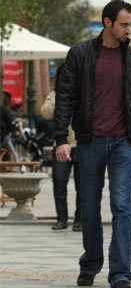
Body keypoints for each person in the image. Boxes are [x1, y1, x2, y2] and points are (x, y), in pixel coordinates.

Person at [54, 0, 131, 288]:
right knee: (90, 208)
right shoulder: (80, 54)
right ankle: (90, 263)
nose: (128, 29)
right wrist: (60, 138)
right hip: (90, 141)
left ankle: (120, 273)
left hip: (123, 141)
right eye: (124, 24)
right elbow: (65, 97)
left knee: (122, 206)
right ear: (107, 23)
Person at [41, 64, 82, 232]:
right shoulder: (55, 94)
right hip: (61, 144)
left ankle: (79, 219)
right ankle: (61, 218)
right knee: (58, 181)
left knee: (83, 185)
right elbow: (45, 112)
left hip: (82, 144)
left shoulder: (84, 93)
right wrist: (63, 99)